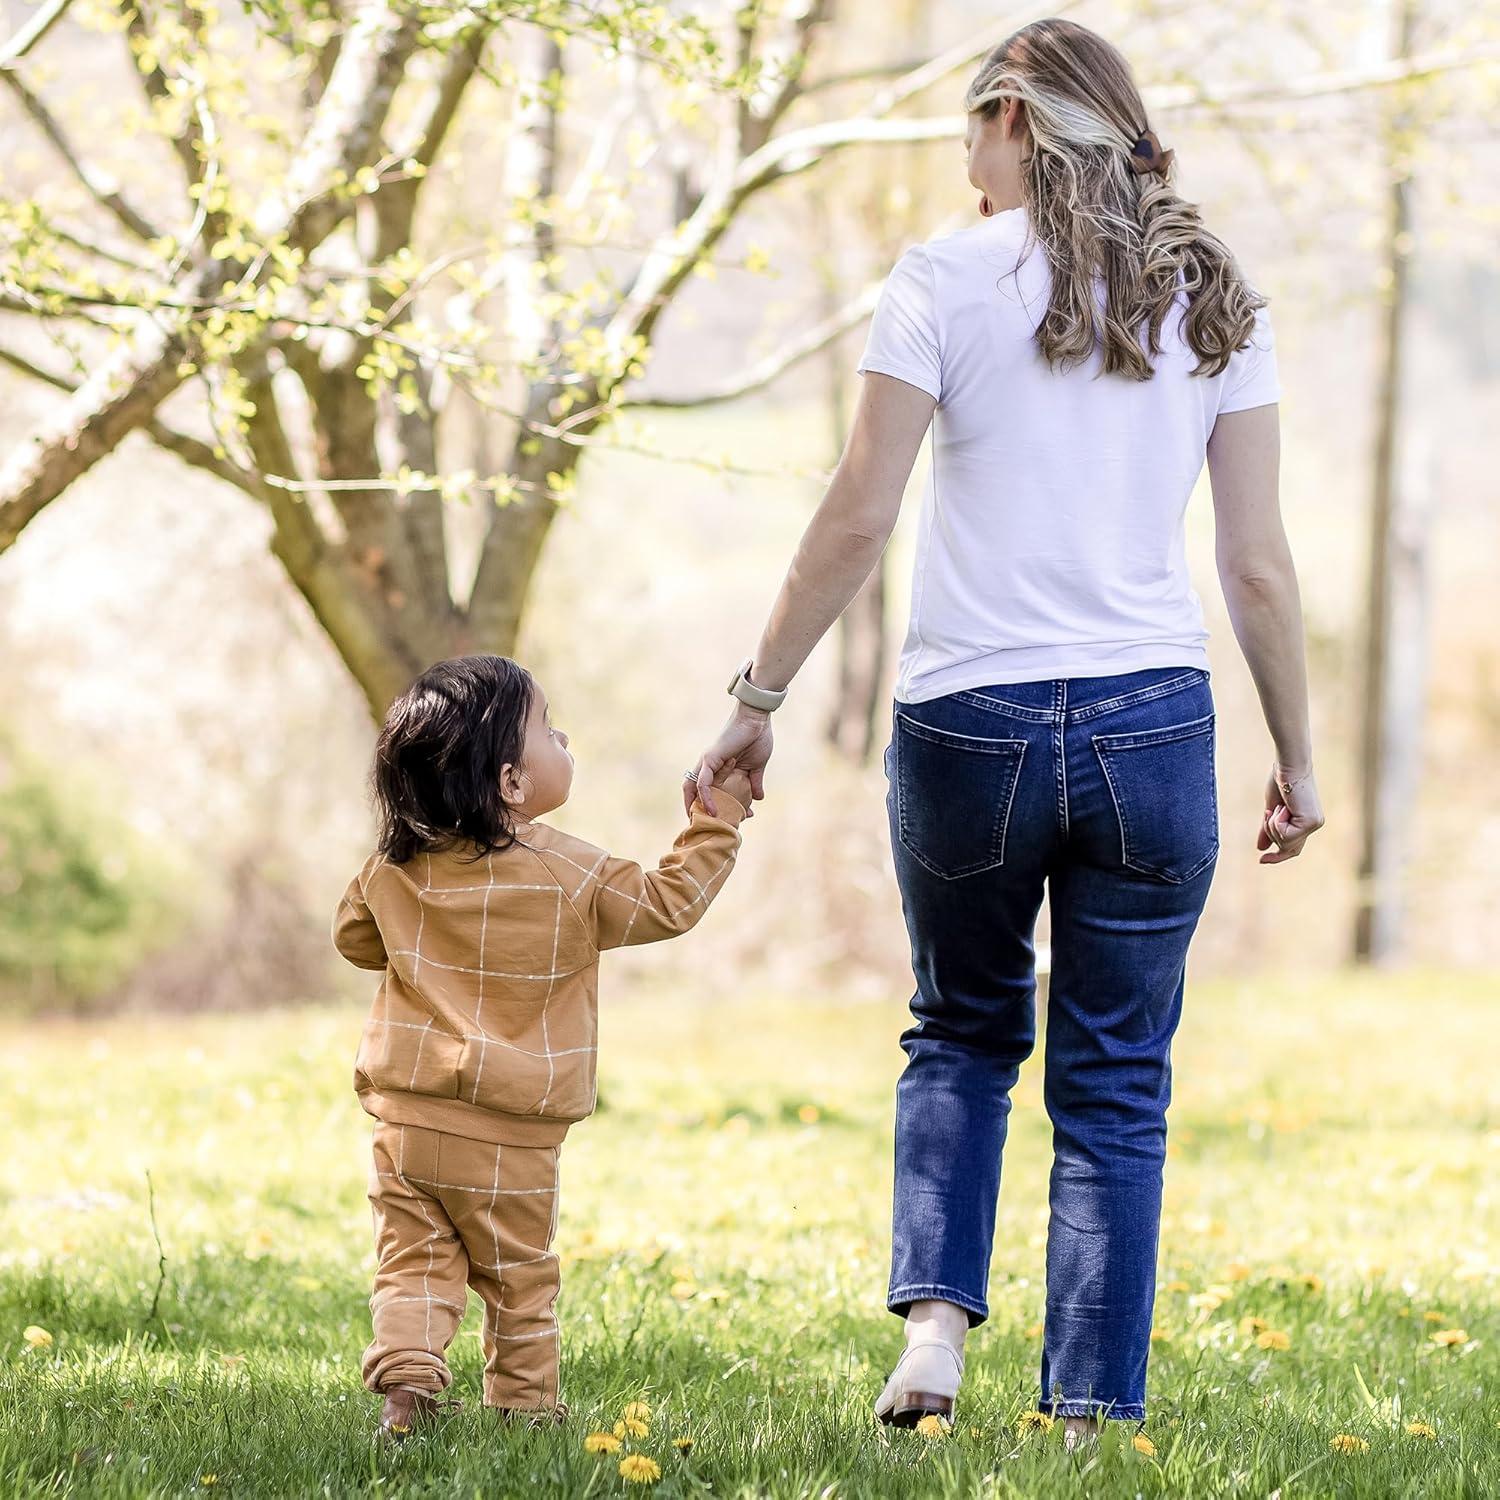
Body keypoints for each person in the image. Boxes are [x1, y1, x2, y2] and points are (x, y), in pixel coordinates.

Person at [689, 17, 1324, 1443]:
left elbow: (859, 510)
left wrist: (757, 703)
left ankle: (932, 1335)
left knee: (963, 1033)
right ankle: (1089, 1410)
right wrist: (1299, 750)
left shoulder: (939, 280)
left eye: (970, 134)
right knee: (1116, 1075)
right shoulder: (1216, 297)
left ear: (1016, 121)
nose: (964, 166)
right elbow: (1258, 562)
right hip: (1152, 726)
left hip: (968, 722)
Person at [334, 654, 751, 1437]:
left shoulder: (392, 871)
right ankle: (524, 1414)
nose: (562, 737)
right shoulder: (570, 873)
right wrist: (717, 816)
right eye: (546, 729)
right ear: (512, 784)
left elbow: (355, 940)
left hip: (410, 1124)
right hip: (512, 1136)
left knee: (414, 1262)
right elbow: (668, 904)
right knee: (520, 1279)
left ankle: (408, 1392)